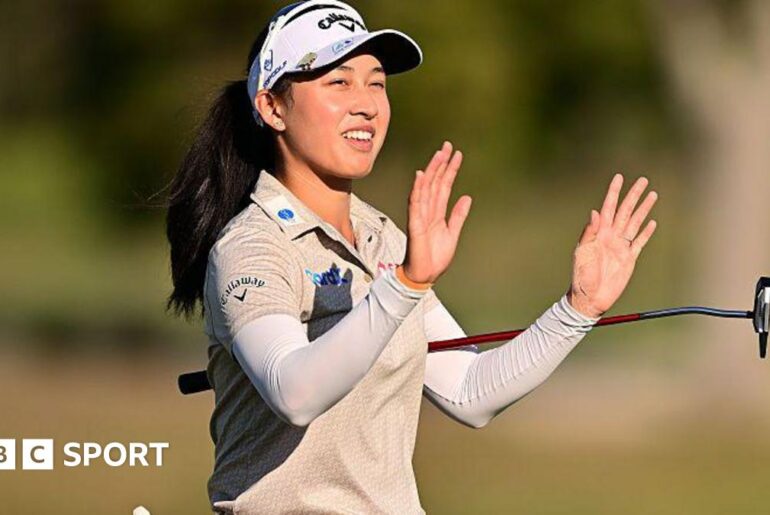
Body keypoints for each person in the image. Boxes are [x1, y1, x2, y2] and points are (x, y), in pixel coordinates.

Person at [165, 1, 659, 513]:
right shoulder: (252, 245)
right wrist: (405, 285)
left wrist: (577, 309)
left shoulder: (384, 240)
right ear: (273, 108)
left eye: (376, 83)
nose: (367, 105)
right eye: (339, 83)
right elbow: (294, 393)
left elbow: (470, 391)